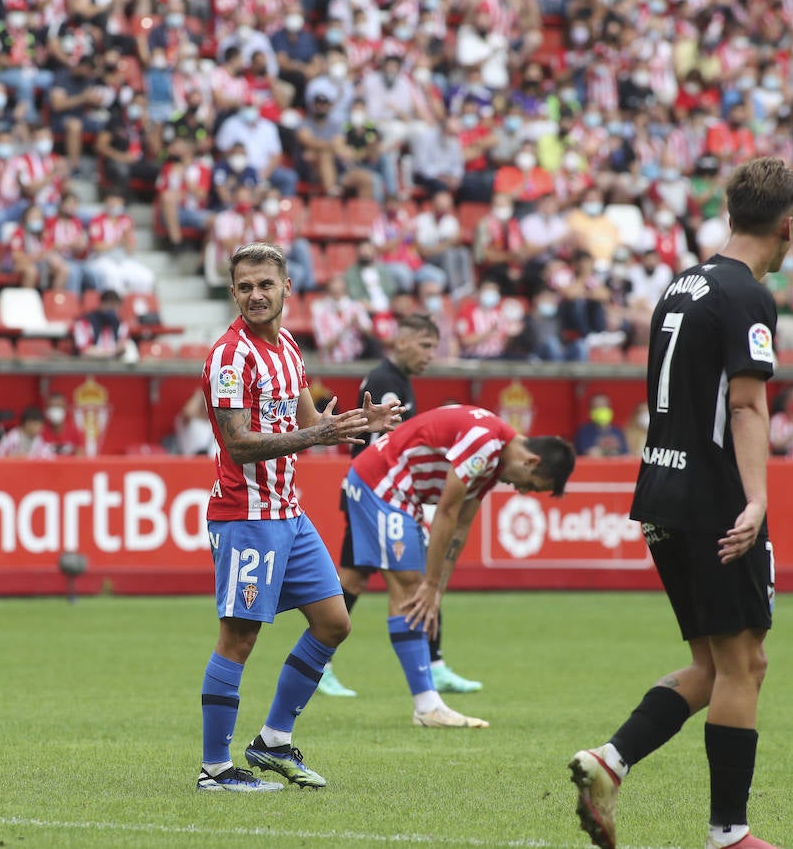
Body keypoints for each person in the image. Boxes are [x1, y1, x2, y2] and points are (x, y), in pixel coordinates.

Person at [568, 157, 793, 849]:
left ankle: (608, 763)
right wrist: (756, 499)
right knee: (743, 665)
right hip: (715, 501)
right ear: (788, 223)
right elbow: (748, 402)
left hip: (662, 492)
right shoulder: (747, 295)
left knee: (715, 662)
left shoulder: (681, 284)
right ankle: (729, 834)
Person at [197, 242, 402, 792]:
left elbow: (310, 421)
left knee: (335, 622)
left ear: (288, 288)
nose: (256, 295)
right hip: (246, 514)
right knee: (238, 637)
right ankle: (214, 770)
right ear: (233, 292)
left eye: (266, 284)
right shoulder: (228, 357)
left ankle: (272, 742)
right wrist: (321, 433)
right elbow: (238, 444)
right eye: (245, 286)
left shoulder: (287, 346)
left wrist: (363, 420)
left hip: (288, 512)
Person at [352, 406, 574, 727]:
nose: (523, 491)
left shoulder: (494, 461)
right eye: (531, 484)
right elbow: (446, 511)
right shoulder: (484, 442)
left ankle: (426, 705)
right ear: (531, 461)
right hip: (381, 482)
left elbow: (461, 526)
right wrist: (429, 585)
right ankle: (427, 707)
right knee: (411, 587)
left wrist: (438, 590)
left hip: (401, 495)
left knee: (406, 588)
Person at [320, 314, 484, 699]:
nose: (431, 355)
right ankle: (323, 664)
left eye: (434, 346)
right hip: (381, 496)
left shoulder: (396, 380)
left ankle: (433, 663)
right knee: (409, 573)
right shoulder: (383, 382)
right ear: (402, 342)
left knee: (357, 578)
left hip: (378, 494)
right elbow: (382, 444)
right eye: (426, 346)